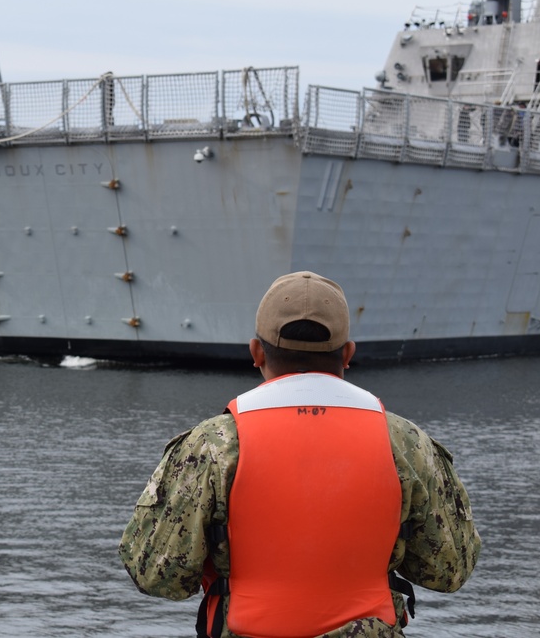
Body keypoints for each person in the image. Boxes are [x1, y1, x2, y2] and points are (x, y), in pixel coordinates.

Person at [118, 271, 481, 638]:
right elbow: (449, 570)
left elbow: (156, 575)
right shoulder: (406, 443)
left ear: (256, 352)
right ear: (349, 354)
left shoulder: (212, 444)